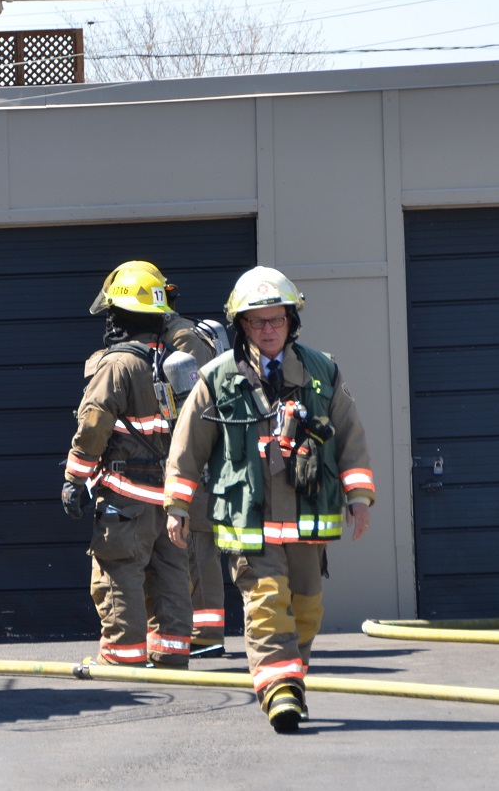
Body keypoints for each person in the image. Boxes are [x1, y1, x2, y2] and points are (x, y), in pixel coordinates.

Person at [163, 266, 375, 734]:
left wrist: (359, 496)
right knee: (265, 604)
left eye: (275, 320)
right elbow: (186, 446)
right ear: (241, 326)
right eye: (256, 322)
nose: (267, 330)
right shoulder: (217, 379)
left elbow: (351, 438)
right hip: (249, 522)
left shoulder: (322, 372)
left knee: (306, 610)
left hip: (306, 523)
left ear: (290, 321)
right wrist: (177, 506)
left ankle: (288, 681)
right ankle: (278, 692)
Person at [90, 262, 230, 658]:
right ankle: (180, 644)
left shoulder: (178, 341)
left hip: (186, 464)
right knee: (179, 555)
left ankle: (204, 636)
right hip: (177, 466)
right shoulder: (167, 340)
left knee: (193, 546)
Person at [63, 262, 194, 670]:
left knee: (118, 574)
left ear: (119, 316)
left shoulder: (117, 365)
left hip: (126, 499)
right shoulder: (175, 362)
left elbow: (93, 425)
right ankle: (170, 656)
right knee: (170, 575)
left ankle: (122, 659)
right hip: (170, 500)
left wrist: (74, 480)